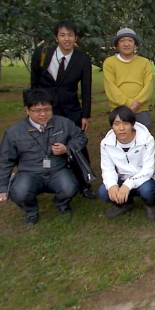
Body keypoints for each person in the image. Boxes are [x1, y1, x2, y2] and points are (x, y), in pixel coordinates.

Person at [0, 89, 87, 225]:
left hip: (57, 170)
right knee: (19, 192)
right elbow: (5, 160)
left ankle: (62, 204)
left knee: (70, 187)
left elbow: (80, 137)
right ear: (27, 110)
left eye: (47, 109)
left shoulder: (63, 123)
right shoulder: (14, 132)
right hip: (29, 172)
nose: (43, 114)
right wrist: (2, 187)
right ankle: (31, 212)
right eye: (37, 110)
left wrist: (67, 148)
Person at [30, 21, 95, 199]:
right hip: (46, 108)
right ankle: (46, 179)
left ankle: (85, 182)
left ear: (76, 38)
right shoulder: (42, 54)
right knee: (45, 142)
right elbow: (33, 83)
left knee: (77, 144)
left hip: (71, 108)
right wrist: (32, 107)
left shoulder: (82, 59)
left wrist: (85, 115)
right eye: (63, 35)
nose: (67, 39)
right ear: (56, 37)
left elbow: (86, 89)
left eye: (70, 35)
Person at [99, 106, 155, 221]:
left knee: (148, 190)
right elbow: (107, 169)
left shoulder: (147, 139)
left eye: (125, 123)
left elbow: (148, 169)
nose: (121, 128)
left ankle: (150, 205)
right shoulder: (106, 144)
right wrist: (112, 185)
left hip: (144, 178)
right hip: (121, 177)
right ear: (112, 126)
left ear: (132, 124)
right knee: (104, 191)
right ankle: (125, 204)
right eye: (116, 124)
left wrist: (128, 185)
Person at [103, 27, 153, 130]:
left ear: (135, 44)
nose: (126, 44)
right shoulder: (109, 62)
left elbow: (148, 86)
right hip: (119, 109)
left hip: (141, 109)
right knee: (121, 139)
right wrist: (129, 103)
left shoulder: (144, 62)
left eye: (130, 41)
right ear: (117, 44)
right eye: (122, 41)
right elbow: (111, 88)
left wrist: (136, 103)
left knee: (143, 141)